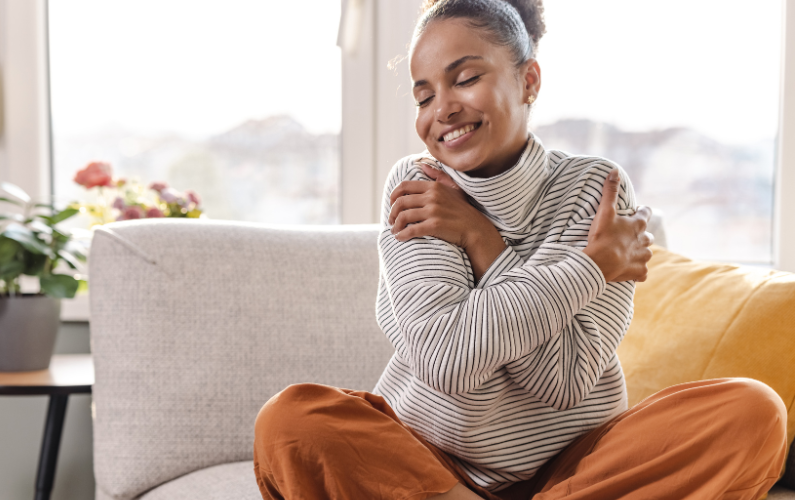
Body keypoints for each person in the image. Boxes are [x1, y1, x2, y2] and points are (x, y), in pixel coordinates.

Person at [253, 0, 788, 498]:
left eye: (464, 79)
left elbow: (564, 382)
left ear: (528, 80)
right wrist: (590, 268)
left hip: (575, 468)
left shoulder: (594, 189)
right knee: (291, 423)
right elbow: (448, 361)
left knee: (752, 412)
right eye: (423, 96)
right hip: (430, 467)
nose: (442, 109)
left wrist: (483, 240)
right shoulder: (418, 185)